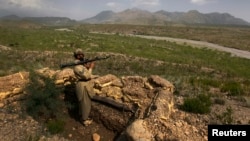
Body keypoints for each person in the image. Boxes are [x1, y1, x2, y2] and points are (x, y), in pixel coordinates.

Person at [73, 48, 97, 126]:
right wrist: (90, 68)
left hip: (85, 85)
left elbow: (85, 71)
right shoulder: (77, 66)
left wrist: (87, 67)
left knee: (85, 103)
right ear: (76, 56)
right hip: (82, 86)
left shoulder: (81, 64)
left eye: (81, 54)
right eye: (78, 54)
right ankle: (85, 120)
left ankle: (82, 116)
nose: (81, 55)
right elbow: (86, 76)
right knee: (85, 103)